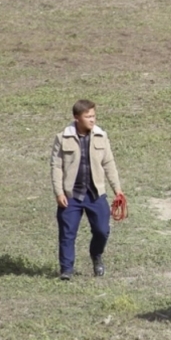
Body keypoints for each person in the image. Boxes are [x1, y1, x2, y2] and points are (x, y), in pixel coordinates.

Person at [50, 100, 124, 281]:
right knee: (67, 233)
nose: (92, 120)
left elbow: (109, 163)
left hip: (95, 193)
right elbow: (56, 167)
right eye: (88, 116)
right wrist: (59, 192)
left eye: (93, 116)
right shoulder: (62, 138)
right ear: (77, 118)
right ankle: (66, 269)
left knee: (102, 230)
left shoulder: (101, 136)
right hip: (71, 195)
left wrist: (118, 190)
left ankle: (96, 255)